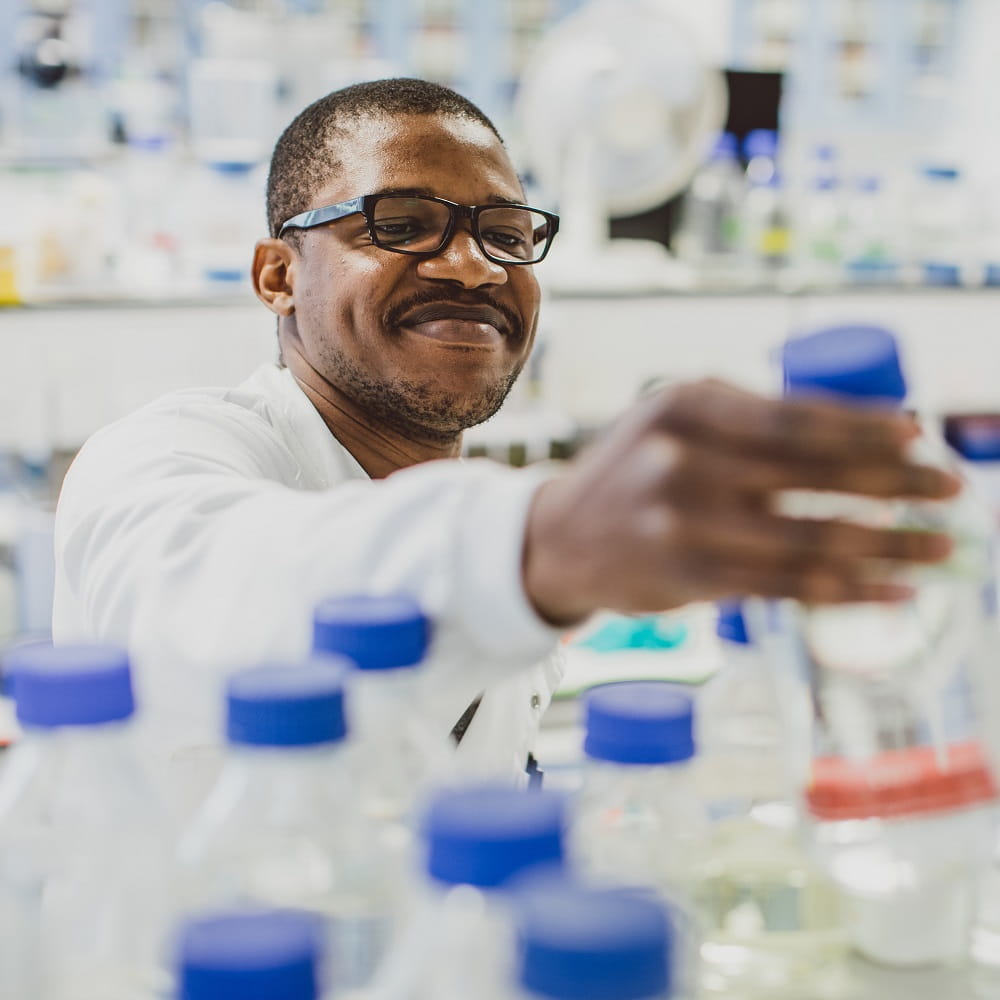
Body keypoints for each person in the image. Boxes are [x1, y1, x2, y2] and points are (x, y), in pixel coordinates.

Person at [52, 79, 956, 805]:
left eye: (508, 233)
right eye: (400, 224)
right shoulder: (160, 459)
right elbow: (223, 601)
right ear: (278, 274)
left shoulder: (485, 541)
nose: (475, 264)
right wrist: (545, 540)